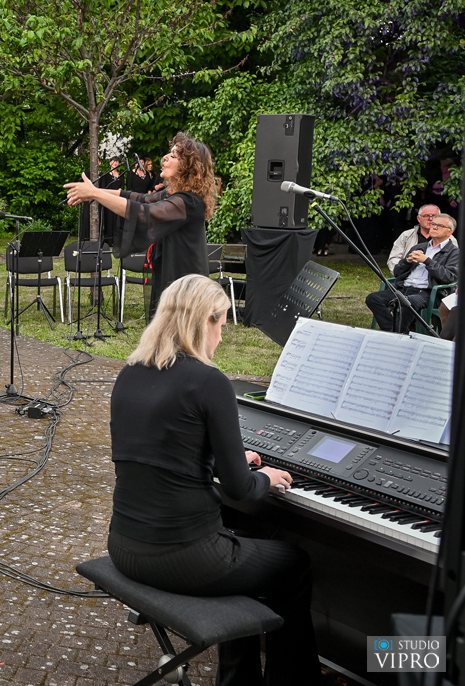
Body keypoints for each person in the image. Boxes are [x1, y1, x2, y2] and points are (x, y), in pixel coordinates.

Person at [108, 274, 321, 686]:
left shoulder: (129, 372)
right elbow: (241, 489)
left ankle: (239, 678)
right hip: (182, 559)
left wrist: (220, 456)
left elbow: (164, 449)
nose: (222, 337)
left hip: (124, 546)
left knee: (244, 537)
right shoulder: (210, 381)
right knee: (295, 564)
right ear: (204, 321)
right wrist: (268, 477)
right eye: (221, 324)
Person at [65, 132, 216, 318]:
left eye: (174, 156)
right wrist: (95, 191)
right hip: (173, 277)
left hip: (188, 285)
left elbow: (146, 213)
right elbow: (140, 198)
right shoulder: (173, 196)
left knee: (182, 342)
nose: (165, 158)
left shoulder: (188, 202)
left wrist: (95, 194)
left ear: (188, 167)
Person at [366, 213, 459, 333]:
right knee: (373, 298)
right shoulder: (419, 247)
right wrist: (406, 261)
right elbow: (397, 272)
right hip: (404, 288)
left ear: (450, 232)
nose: (434, 227)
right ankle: (394, 331)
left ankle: (396, 332)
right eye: (433, 224)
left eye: (440, 225)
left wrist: (427, 261)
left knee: (409, 301)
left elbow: (449, 277)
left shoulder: (454, 253)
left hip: (428, 293)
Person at [387, 204, 456, 275]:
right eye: (426, 216)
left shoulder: (449, 239)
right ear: (419, 218)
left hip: (436, 279)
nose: (431, 219)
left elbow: (452, 267)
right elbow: (394, 259)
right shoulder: (406, 235)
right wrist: (403, 272)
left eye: (434, 216)